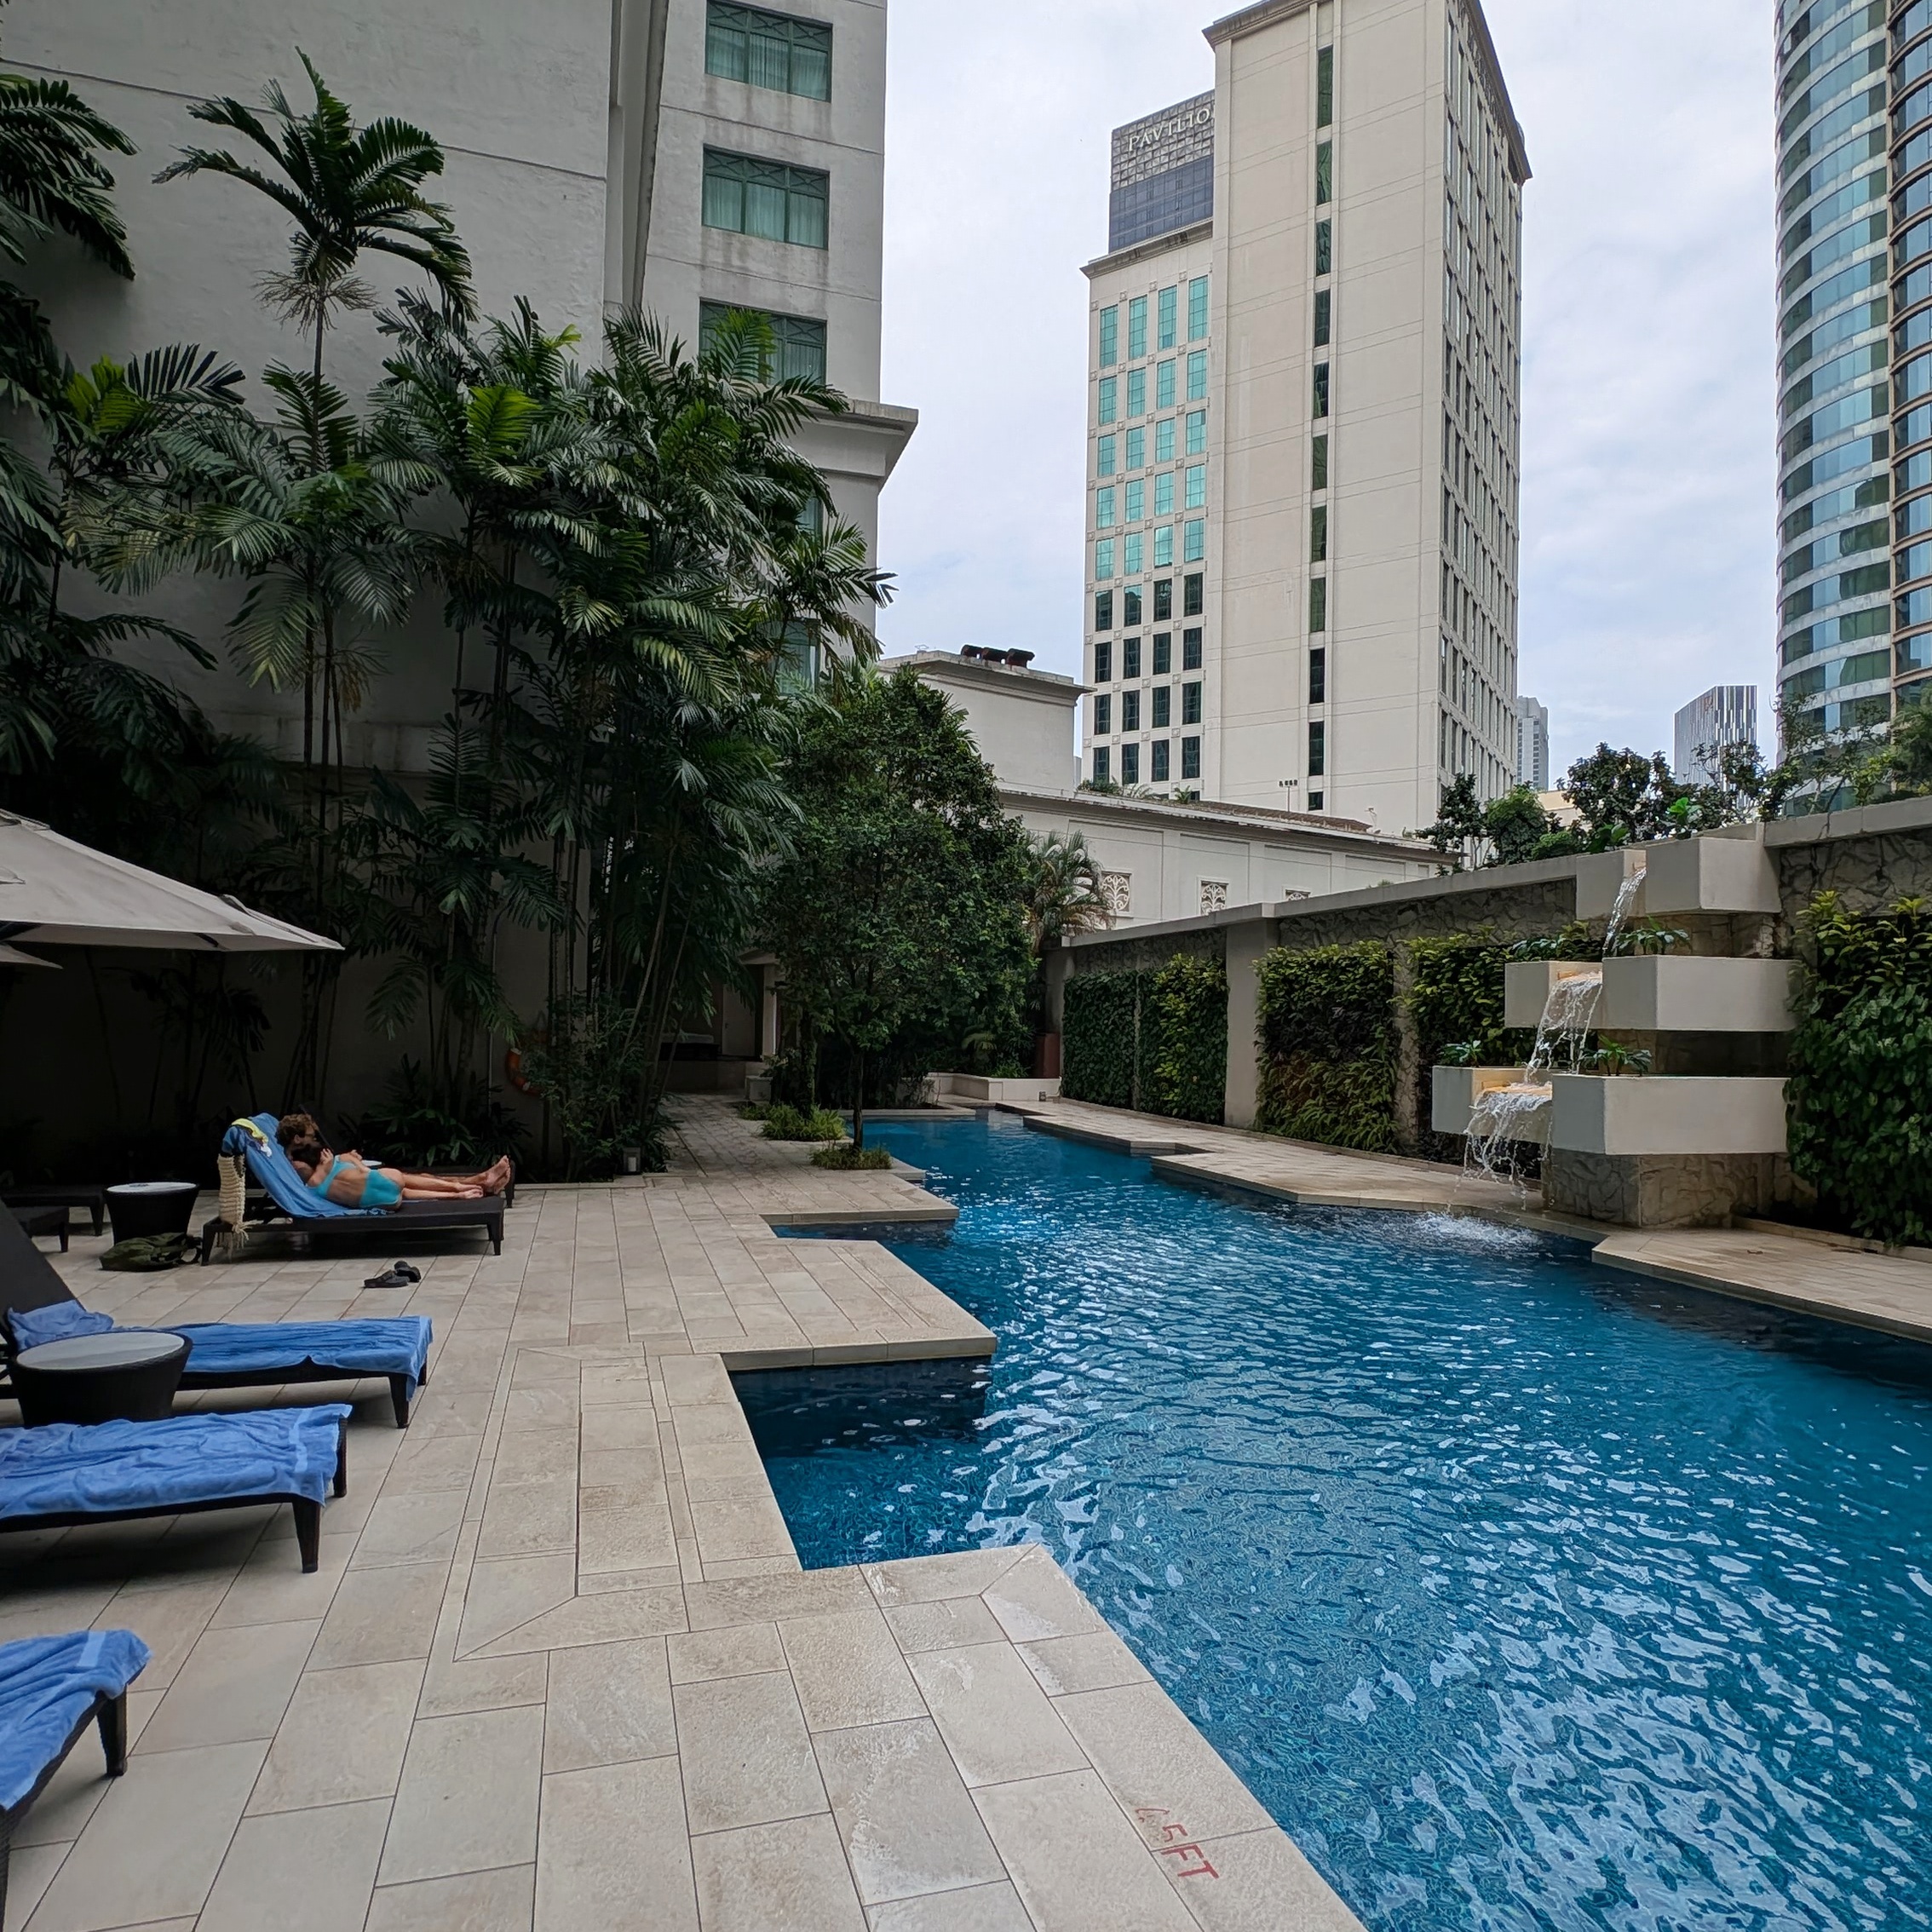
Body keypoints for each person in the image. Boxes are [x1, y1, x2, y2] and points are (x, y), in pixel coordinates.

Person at [275, 1113, 512, 1208]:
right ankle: (476, 1182)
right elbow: (318, 1181)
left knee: (409, 1188)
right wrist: (350, 1163)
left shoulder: (292, 1164)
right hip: (377, 1181)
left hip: (385, 1202)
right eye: (310, 1136)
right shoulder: (304, 1166)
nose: (315, 1139)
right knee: (408, 1179)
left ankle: (465, 1189)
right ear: (297, 1139)